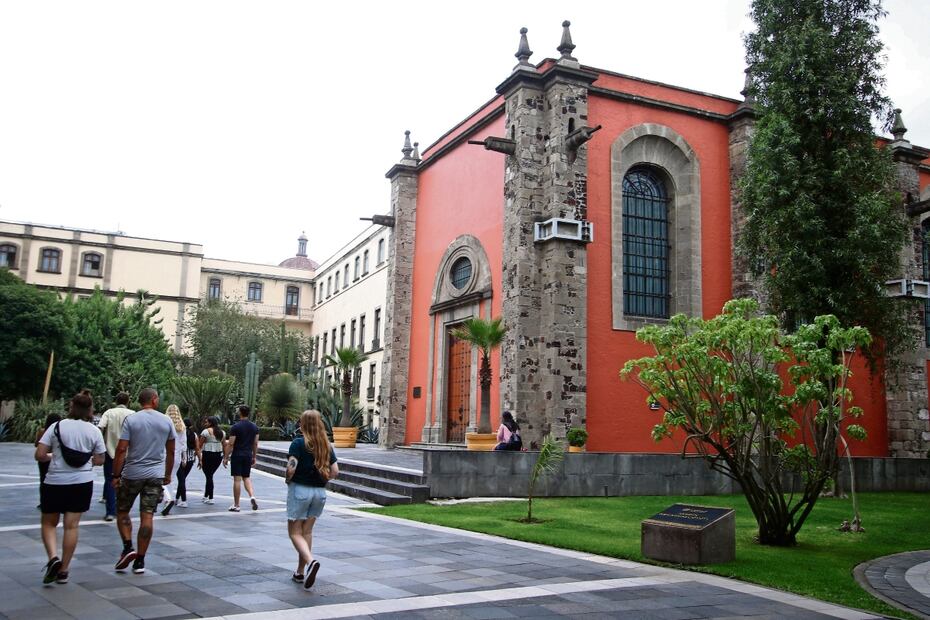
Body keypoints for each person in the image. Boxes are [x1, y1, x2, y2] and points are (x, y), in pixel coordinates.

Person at [35, 390, 106, 585]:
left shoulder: (56, 427)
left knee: (49, 523)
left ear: (71, 406)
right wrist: (87, 460)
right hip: (82, 483)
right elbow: (100, 459)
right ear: (90, 410)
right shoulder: (94, 431)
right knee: (71, 526)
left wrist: (54, 457)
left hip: (55, 481)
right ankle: (64, 570)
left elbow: (40, 454)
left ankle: (52, 558)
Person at [111, 388, 176, 575]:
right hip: (155, 475)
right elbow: (171, 450)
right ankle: (140, 560)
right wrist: (168, 473)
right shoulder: (166, 420)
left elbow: (122, 449)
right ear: (154, 400)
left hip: (132, 473)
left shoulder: (132, 420)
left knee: (122, 510)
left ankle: (127, 546)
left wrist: (116, 475)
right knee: (147, 516)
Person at [285, 410, 338, 589]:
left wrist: (288, 479)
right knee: (306, 532)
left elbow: (291, 467)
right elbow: (335, 472)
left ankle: (311, 561)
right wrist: (321, 478)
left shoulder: (298, 443)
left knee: (294, 532)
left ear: (302, 424)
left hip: (300, 490)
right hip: (320, 493)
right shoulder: (326, 445)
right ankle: (301, 572)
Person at [97, 392, 135, 521]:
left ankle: (110, 512)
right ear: (128, 401)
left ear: (116, 401)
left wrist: (100, 444)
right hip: (127, 453)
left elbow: (100, 427)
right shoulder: (132, 414)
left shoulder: (109, 412)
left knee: (109, 480)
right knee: (125, 482)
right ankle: (122, 509)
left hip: (110, 451)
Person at [224, 405, 260, 512]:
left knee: (237, 480)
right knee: (246, 477)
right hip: (248, 455)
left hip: (237, 455)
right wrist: (254, 456)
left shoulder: (235, 427)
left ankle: (237, 504)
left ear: (240, 413)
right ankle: (252, 496)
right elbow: (255, 443)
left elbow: (231, 444)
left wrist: (225, 457)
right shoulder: (255, 427)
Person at [160, 405, 187, 517]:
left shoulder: (164, 424)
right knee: (171, 479)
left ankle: (168, 499)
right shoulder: (182, 426)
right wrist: (184, 457)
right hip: (177, 456)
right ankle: (168, 501)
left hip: (164, 455)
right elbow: (183, 443)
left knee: (159, 479)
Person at [34, 413, 62, 509]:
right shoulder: (60, 431)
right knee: (56, 480)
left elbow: (36, 444)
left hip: (43, 459)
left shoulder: (42, 431)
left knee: (43, 480)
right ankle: (57, 501)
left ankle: (43, 502)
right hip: (55, 458)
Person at [198, 416, 224, 504]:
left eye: (206, 422)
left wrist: (198, 456)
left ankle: (211, 497)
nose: (205, 424)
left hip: (208, 454)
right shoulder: (222, 433)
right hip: (218, 455)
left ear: (210, 423)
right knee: (210, 475)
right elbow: (224, 444)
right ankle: (206, 496)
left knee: (209, 476)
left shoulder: (205, 432)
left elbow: (199, 445)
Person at [175, 418, 198, 508]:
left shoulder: (179, 433)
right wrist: (200, 459)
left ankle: (184, 501)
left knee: (181, 480)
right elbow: (197, 448)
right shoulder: (194, 435)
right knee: (182, 479)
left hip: (180, 459)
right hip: (190, 460)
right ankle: (177, 499)